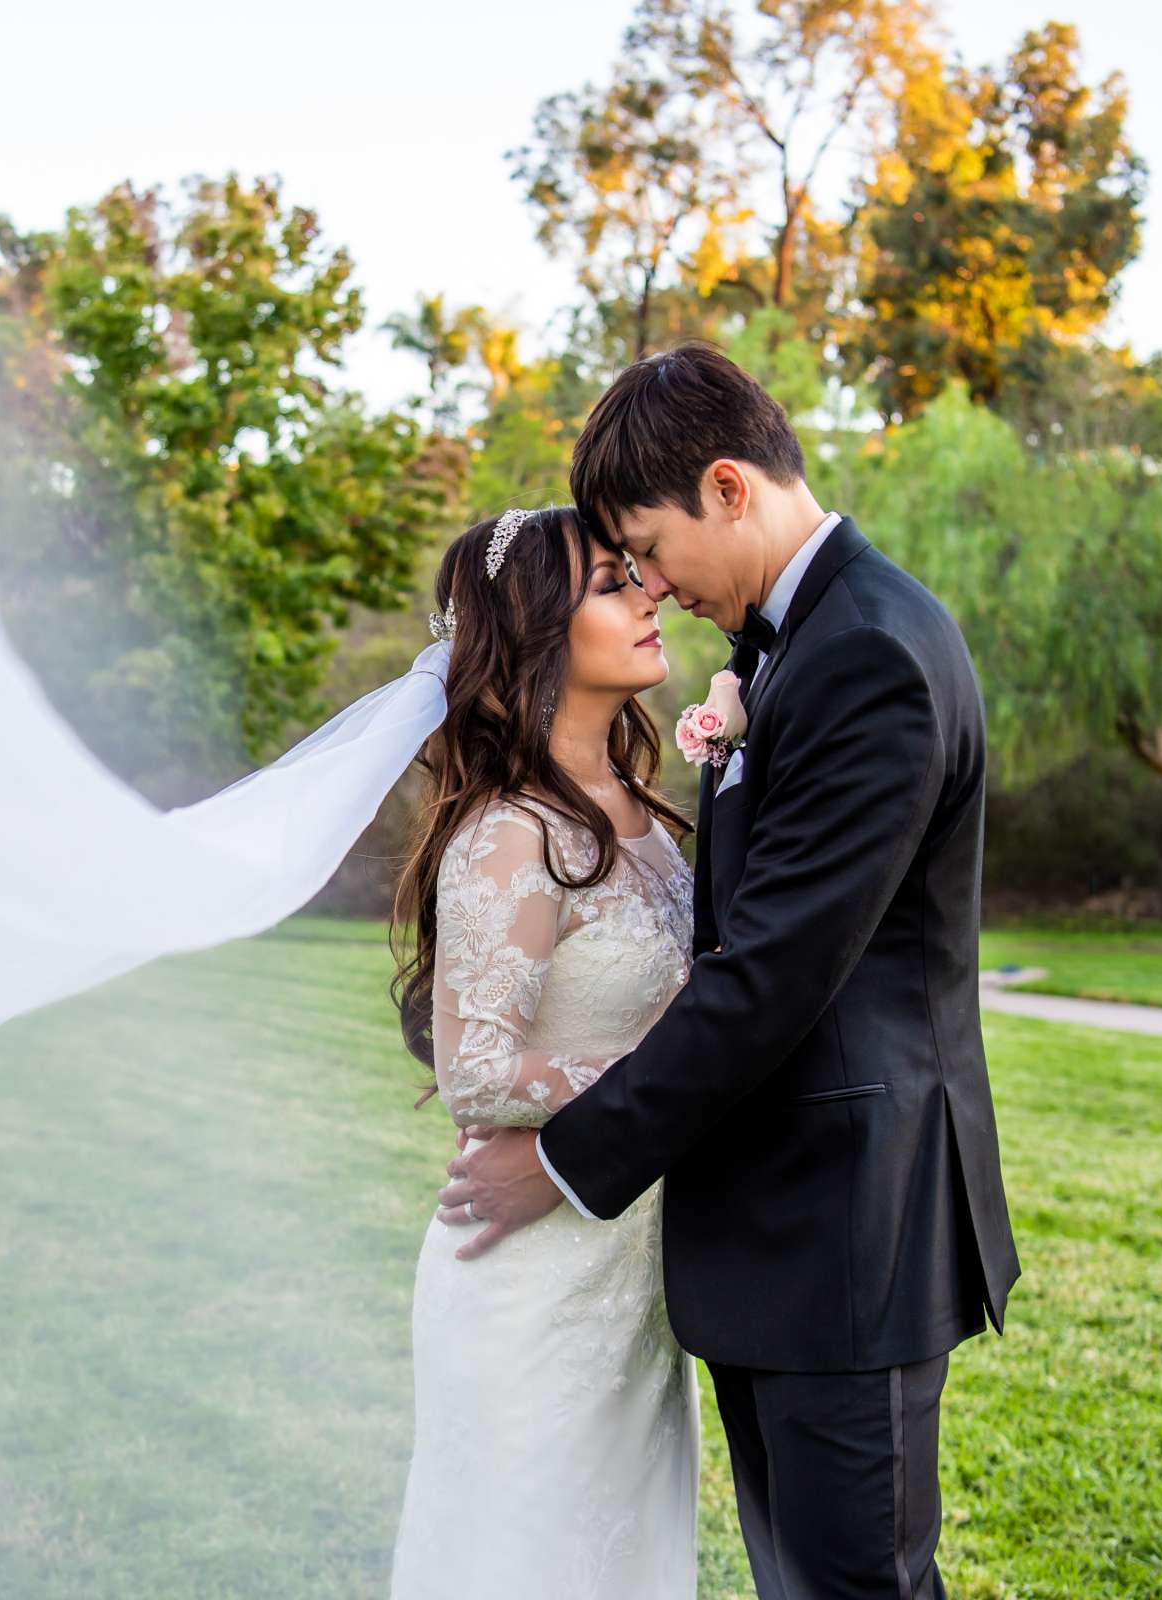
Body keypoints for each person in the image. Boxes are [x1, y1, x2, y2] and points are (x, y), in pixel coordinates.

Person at [436, 342, 1022, 1599]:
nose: (652, 582)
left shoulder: (865, 652)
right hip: (782, 1233)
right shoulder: (792, 646)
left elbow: (769, 977)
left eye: (649, 544)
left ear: (726, 487)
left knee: (852, 1585)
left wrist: (563, 1157)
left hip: (847, 1224)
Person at [386, 504, 701, 1597]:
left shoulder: (649, 816)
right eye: (614, 583)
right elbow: (476, 1067)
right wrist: (674, 1086)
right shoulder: (511, 833)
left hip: (634, 1276)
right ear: (538, 636)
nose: (650, 592)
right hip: (534, 1279)